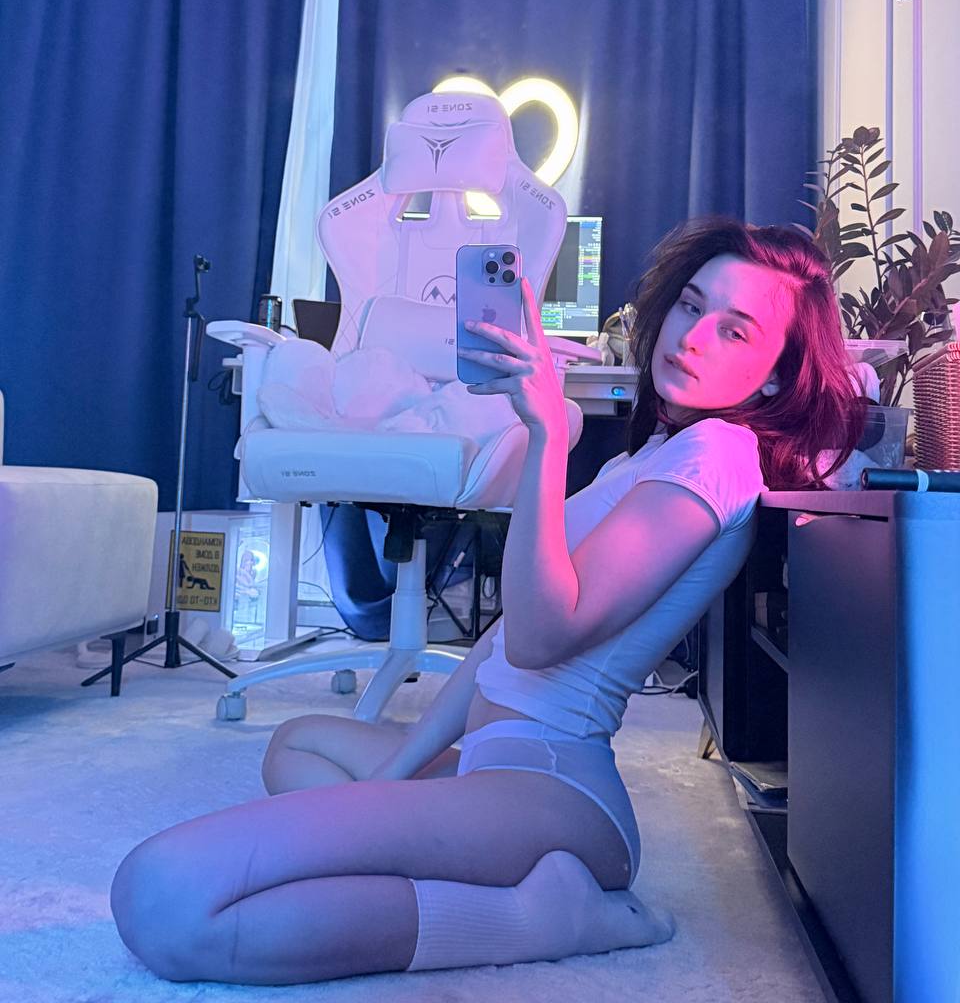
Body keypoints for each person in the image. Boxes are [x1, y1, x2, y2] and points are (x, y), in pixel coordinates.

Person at [110, 214, 866, 985]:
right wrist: (395, 779)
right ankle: (466, 865)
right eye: (691, 304)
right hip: (488, 760)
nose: (694, 336)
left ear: (776, 375)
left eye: (735, 331)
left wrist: (546, 435)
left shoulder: (717, 457)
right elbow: (500, 641)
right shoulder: (658, 453)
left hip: (554, 791)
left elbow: (541, 638)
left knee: (162, 897)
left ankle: (544, 917)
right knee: (296, 744)